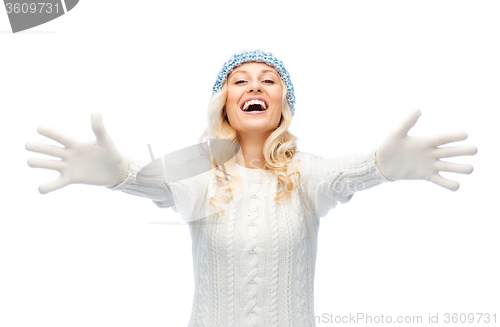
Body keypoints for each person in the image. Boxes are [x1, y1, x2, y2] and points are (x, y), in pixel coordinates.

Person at [25, 50, 478, 327]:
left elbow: (341, 176)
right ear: (225, 101)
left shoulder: (303, 172)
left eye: (268, 79)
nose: (254, 86)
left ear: (283, 102)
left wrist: (381, 166)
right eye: (239, 80)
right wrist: (117, 171)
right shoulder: (201, 167)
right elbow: (152, 178)